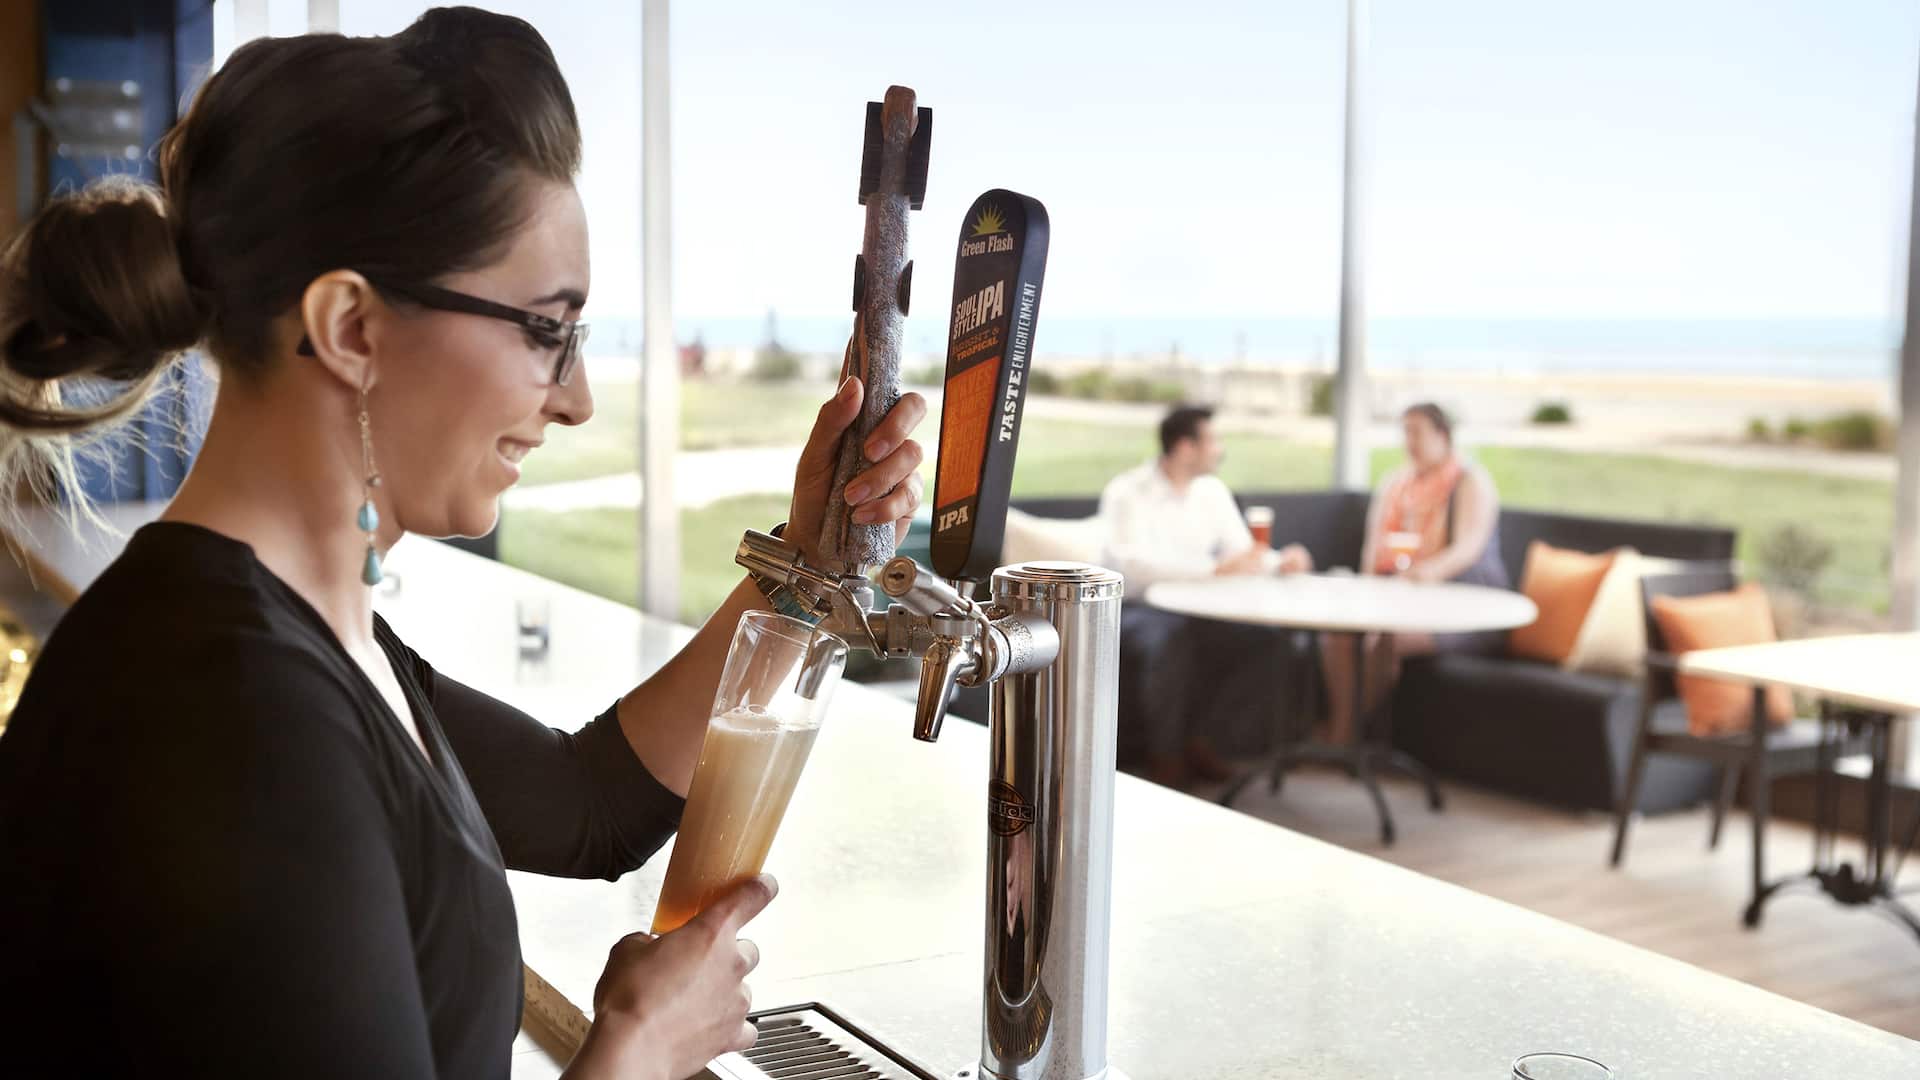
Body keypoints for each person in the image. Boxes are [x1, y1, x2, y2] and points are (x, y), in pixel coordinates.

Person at [0, 10, 928, 1079]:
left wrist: (806, 559)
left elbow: (591, 805)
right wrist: (636, 1052)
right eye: (547, 329)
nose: (575, 399)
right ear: (352, 328)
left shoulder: (290, 634)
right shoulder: (229, 717)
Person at [1099, 405, 1310, 788]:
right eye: (1213, 440)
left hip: (1202, 607)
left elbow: (1242, 553)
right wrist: (1210, 571)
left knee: (1266, 640)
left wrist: (1281, 562)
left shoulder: (1211, 492)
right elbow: (1128, 566)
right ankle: (1165, 755)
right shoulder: (1127, 493)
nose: (1220, 449)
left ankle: (1199, 738)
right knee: (1172, 641)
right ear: (1184, 447)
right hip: (1140, 606)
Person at [1323, 402, 1506, 743]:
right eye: (1405, 432)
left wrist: (1419, 575)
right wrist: (1366, 595)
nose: (1409, 441)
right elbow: (1373, 548)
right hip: (1402, 602)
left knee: (1382, 642)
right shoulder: (1396, 485)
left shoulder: (1470, 482)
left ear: (1443, 435)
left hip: (1466, 611)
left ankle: (1344, 737)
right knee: (1338, 635)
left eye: (1417, 432)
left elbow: (1467, 549)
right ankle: (1346, 732)